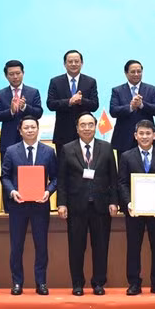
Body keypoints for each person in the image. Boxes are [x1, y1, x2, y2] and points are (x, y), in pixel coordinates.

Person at [56, 112, 118, 296]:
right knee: (76, 247)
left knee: (101, 247)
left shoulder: (106, 148)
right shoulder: (67, 149)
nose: (86, 128)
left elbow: (113, 179)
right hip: (76, 207)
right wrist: (61, 204)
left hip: (101, 206)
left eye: (90, 124)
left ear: (95, 126)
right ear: (77, 128)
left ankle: (98, 283)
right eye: (83, 125)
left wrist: (114, 201)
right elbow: (62, 180)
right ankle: (77, 284)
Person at [0, 116, 57, 295]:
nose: (30, 130)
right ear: (20, 130)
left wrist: (48, 191)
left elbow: (56, 177)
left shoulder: (48, 151)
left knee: (41, 246)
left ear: (38, 129)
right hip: (18, 206)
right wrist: (12, 191)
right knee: (16, 246)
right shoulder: (11, 151)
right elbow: (5, 176)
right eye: (27, 127)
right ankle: (17, 282)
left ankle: (41, 282)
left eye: (33, 127)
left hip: (40, 206)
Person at [117, 120, 155, 295]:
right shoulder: (126, 156)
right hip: (134, 210)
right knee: (133, 247)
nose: (145, 137)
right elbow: (122, 183)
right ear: (135, 136)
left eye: (148, 133)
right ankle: (134, 283)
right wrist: (128, 203)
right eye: (141, 133)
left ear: (154, 136)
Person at [47, 50, 99, 158]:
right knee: (63, 167)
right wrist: (69, 102)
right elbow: (50, 104)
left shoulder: (90, 82)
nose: (74, 64)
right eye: (70, 61)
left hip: (85, 133)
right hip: (62, 132)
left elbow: (95, 105)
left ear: (82, 63)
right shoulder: (55, 81)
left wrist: (81, 100)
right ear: (65, 64)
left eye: (77, 61)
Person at [0, 60, 44, 156]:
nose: (15, 77)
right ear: (6, 76)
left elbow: (39, 113)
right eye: (11, 74)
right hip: (8, 141)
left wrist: (24, 107)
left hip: (29, 140)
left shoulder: (33, 92)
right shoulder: (0, 94)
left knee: (28, 170)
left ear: (23, 73)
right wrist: (11, 111)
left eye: (18, 73)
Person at [110, 60, 155, 153]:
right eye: (133, 72)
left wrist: (142, 105)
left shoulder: (152, 89)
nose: (136, 74)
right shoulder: (117, 90)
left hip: (147, 137)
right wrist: (131, 107)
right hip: (124, 138)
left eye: (139, 71)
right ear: (126, 73)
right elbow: (113, 111)